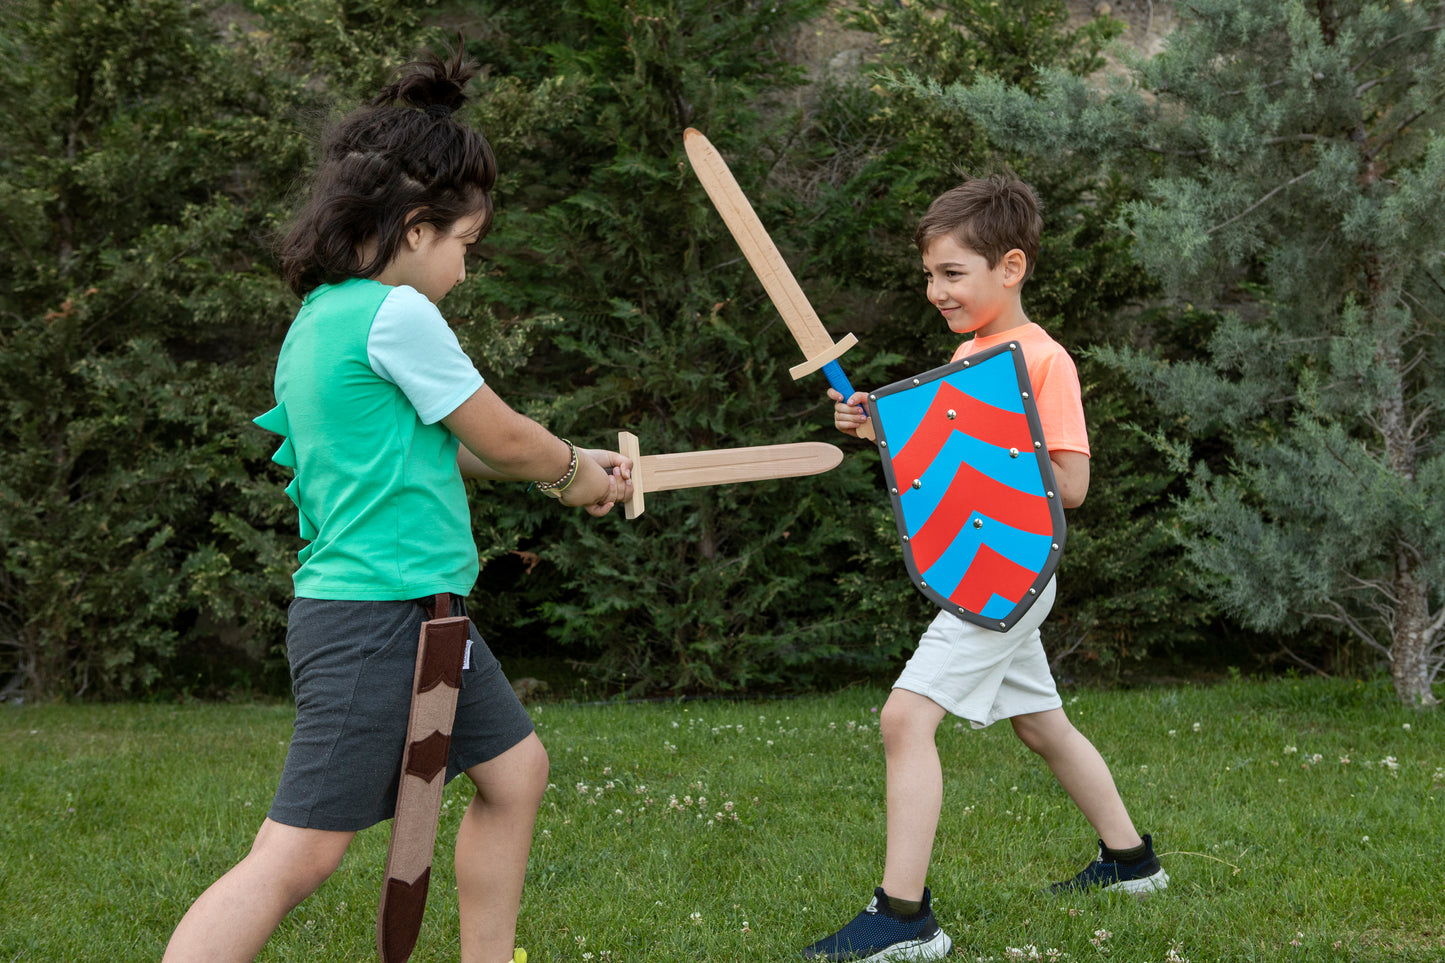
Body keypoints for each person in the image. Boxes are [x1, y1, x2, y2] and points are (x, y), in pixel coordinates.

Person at [163, 45, 630, 963]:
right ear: (416, 228)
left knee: (514, 772)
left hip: (418, 611)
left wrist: (576, 466)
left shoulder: (320, 320)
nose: (465, 268)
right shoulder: (396, 314)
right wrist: (570, 467)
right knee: (296, 854)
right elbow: (500, 436)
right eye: (464, 245)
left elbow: (440, 453)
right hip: (374, 618)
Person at [803, 176, 1166, 962]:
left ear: (1010, 267)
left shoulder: (1042, 359)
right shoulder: (969, 353)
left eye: (952, 273)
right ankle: (1131, 862)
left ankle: (904, 918)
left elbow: (1066, 484)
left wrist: (987, 433)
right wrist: (884, 427)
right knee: (1041, 723)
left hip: (1010, 567)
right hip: (978, 558)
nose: (935, 290)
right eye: (929, 275)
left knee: (904, 718)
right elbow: (949, 464)